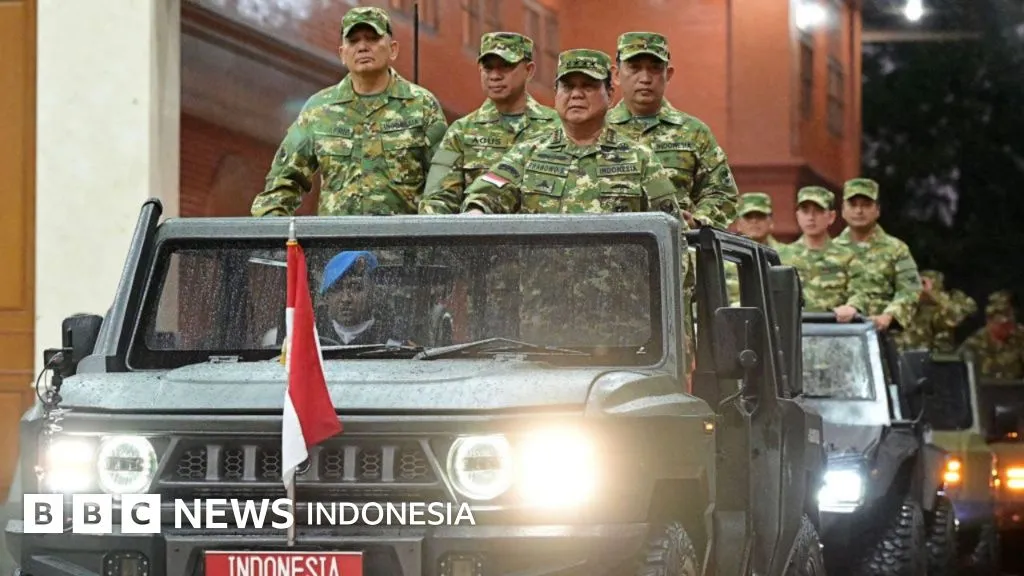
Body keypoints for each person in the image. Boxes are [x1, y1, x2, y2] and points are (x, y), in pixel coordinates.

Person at [250, 6, 448, 217]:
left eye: (372, 38)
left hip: (403, 246)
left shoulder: (421, 105)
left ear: (393, 49)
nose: (362, 47)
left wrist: (429, 237)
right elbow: (283, 182)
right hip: (338, 246)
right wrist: (275, 236)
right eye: (353, 41)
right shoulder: (320, 109)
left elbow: (445, 182)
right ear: (342, 54)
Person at [459, 48, 680, 217]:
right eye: (568, 86)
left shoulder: (640, 158)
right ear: (556, 93)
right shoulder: (526, 154)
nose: (576, 94)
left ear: (610, 94)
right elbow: (484, 197)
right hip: (541, 276)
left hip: (614, 278)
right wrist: (477, 211)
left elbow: (672, 233)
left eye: (588, 86)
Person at [606, 31, 738, 230]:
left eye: (655, 69)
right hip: (608, 247)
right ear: (616, 75)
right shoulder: (597, 129)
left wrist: (698, 220)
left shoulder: (693, 133)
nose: (645, 78)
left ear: (669, 74)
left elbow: (723, 194)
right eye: (634, 68)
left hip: (676, 250)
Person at [418, 32, 559, 214]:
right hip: (479, 237)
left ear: (529, 70)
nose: (495, 76)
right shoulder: (462, 132)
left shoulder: (557, 128)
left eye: (505, 67)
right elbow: (437, 200)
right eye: (488, 68)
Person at [832, 178, 922, 332]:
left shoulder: (896, 249)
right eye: (853, 205)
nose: (859, 211)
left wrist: (889, 316)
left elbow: (911, 290)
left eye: (866, 205)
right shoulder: (831, 250)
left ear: (877, 210)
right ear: (843, 211)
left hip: (883, 335)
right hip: (839, 336)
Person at [780, 186, 868, 319]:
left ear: (831, 217)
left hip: (832, 332)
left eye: (818, 211)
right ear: (797, 216)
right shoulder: (782, 257)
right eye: (805, 211)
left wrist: (852, 307)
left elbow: (861, 292)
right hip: (792, 333)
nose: (811, 217)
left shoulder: (848, 257)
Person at [316, 251, 406, 346]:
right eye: (337, 289)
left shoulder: (393, 345)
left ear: (371, 294)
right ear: (327, 298)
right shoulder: (311, 340)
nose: (346, 299)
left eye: (356, 288)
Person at [893, 270, 977, 353]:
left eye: (922, 283)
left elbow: (959, 314)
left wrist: (932, 293)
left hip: (936, 358)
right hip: (911, 356)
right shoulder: (913, 306)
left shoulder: (942, 309)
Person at [959, 291, 1024, 380]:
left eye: (1011, 317)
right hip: (984, 391)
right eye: (1003, 319)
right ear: (989, 320)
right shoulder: (973, 345)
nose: (1010, 327)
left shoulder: (1019, 338)